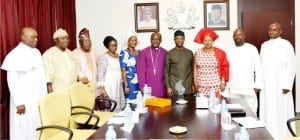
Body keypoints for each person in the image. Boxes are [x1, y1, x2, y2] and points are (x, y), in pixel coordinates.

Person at [1, 27, 47, 139]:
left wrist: (44, 95)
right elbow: (12, 81)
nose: (36, 40)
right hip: (24, 101)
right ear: (23, 37)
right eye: (32, 37)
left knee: (37, 125)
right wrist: (19, 103)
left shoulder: (37, 52)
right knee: (23, 128)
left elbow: (42, 75)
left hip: (38, 98)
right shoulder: (14, 55)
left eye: (37, 37)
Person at [259, 22, 296, 139]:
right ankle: (267, 133)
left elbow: (291, 65)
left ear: (280, 31)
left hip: (281, 85)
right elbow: (260, 66)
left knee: (280, 109)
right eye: (270, 29)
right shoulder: (264, 45)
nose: (271, 32)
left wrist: (287, 84)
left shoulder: (286, 45)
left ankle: (282, 133)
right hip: (266, 84)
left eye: (274, 30)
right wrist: (259, 83)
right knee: (267, 108)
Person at [226, 28, 262, 114]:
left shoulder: (252, 48)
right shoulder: (229, 49)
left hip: (248, 87)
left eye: (239, 35)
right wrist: (227, 84)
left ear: (244, 36)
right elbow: (226, 68)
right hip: (234, 87)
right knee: (234, 111)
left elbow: (258, 68)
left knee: (251, 111)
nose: (237, 37)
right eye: (235, 35)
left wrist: (258, 84)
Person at [193, 28, 229, 96]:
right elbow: (195, 68)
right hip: (201, 86)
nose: (207, 42)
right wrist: (195, 81)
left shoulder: (220, 52)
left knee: (215, 105)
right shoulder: (197, 52)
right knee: (202, 106)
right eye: (205, 40)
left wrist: (223, 82)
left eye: (209, 40)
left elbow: (224, 68)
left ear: (213, 40)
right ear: (202, 41)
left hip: (215, 86)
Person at [43, 28, 77, 93]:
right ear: (56, 40)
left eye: (67, 38)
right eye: (63, 38)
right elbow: (48, 79)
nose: (66, 40)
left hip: (72, 92)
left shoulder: (70, 53)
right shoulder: (49, 54)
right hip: (58, 92)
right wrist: (51, 95)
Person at [97, 36, 125, 111]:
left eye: (115, 45)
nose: (115, 47)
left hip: (117, 85)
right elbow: (100, 74)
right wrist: (102, 89)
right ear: (107, 46)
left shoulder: (118, 56)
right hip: (109, 86)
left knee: (117, 104)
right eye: (112, 45)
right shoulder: (104, 57)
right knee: (109, 105)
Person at [165, 30, 194, 99]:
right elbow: (166, 72)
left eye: (181, 38)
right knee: (175, 109)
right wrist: (168, 87)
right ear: (174, 40)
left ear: (184, 39)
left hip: (187, 88)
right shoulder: (169, 53)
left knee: (189, 108)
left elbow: (193, 70)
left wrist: (193, 84)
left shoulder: (189, 53)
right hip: (174, 88)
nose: (179, 40)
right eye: (177, 39)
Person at [137, 32, 167, 98]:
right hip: (148, 85)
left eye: (158, 39)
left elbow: (167, 70)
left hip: (161, 86)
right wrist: (142, 86)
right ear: (150, 40)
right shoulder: (144, 52)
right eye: (153, 39)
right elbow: (141, 71)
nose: (155, 41)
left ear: (160, 41)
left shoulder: (165, 52)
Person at [72, 28, 100, 95]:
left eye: (89, 41)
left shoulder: (95, 52)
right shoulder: (75, 53)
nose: (88, 43)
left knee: (96, 103)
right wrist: (81, 77)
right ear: (80, 43)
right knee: (85, 104)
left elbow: (98, 66)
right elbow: (76, 68)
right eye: (85, 41)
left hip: (95, 83)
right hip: (83, 83)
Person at [119, 31, 139, 100]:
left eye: (135, 40)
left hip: (139, 81)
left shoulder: (139, 52)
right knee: (131, 102)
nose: (134, 42)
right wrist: (126, 85)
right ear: (128, 42)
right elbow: (123, 70)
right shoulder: (124, 53)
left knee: (139, 102)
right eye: (132, 40)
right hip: (129, 82)